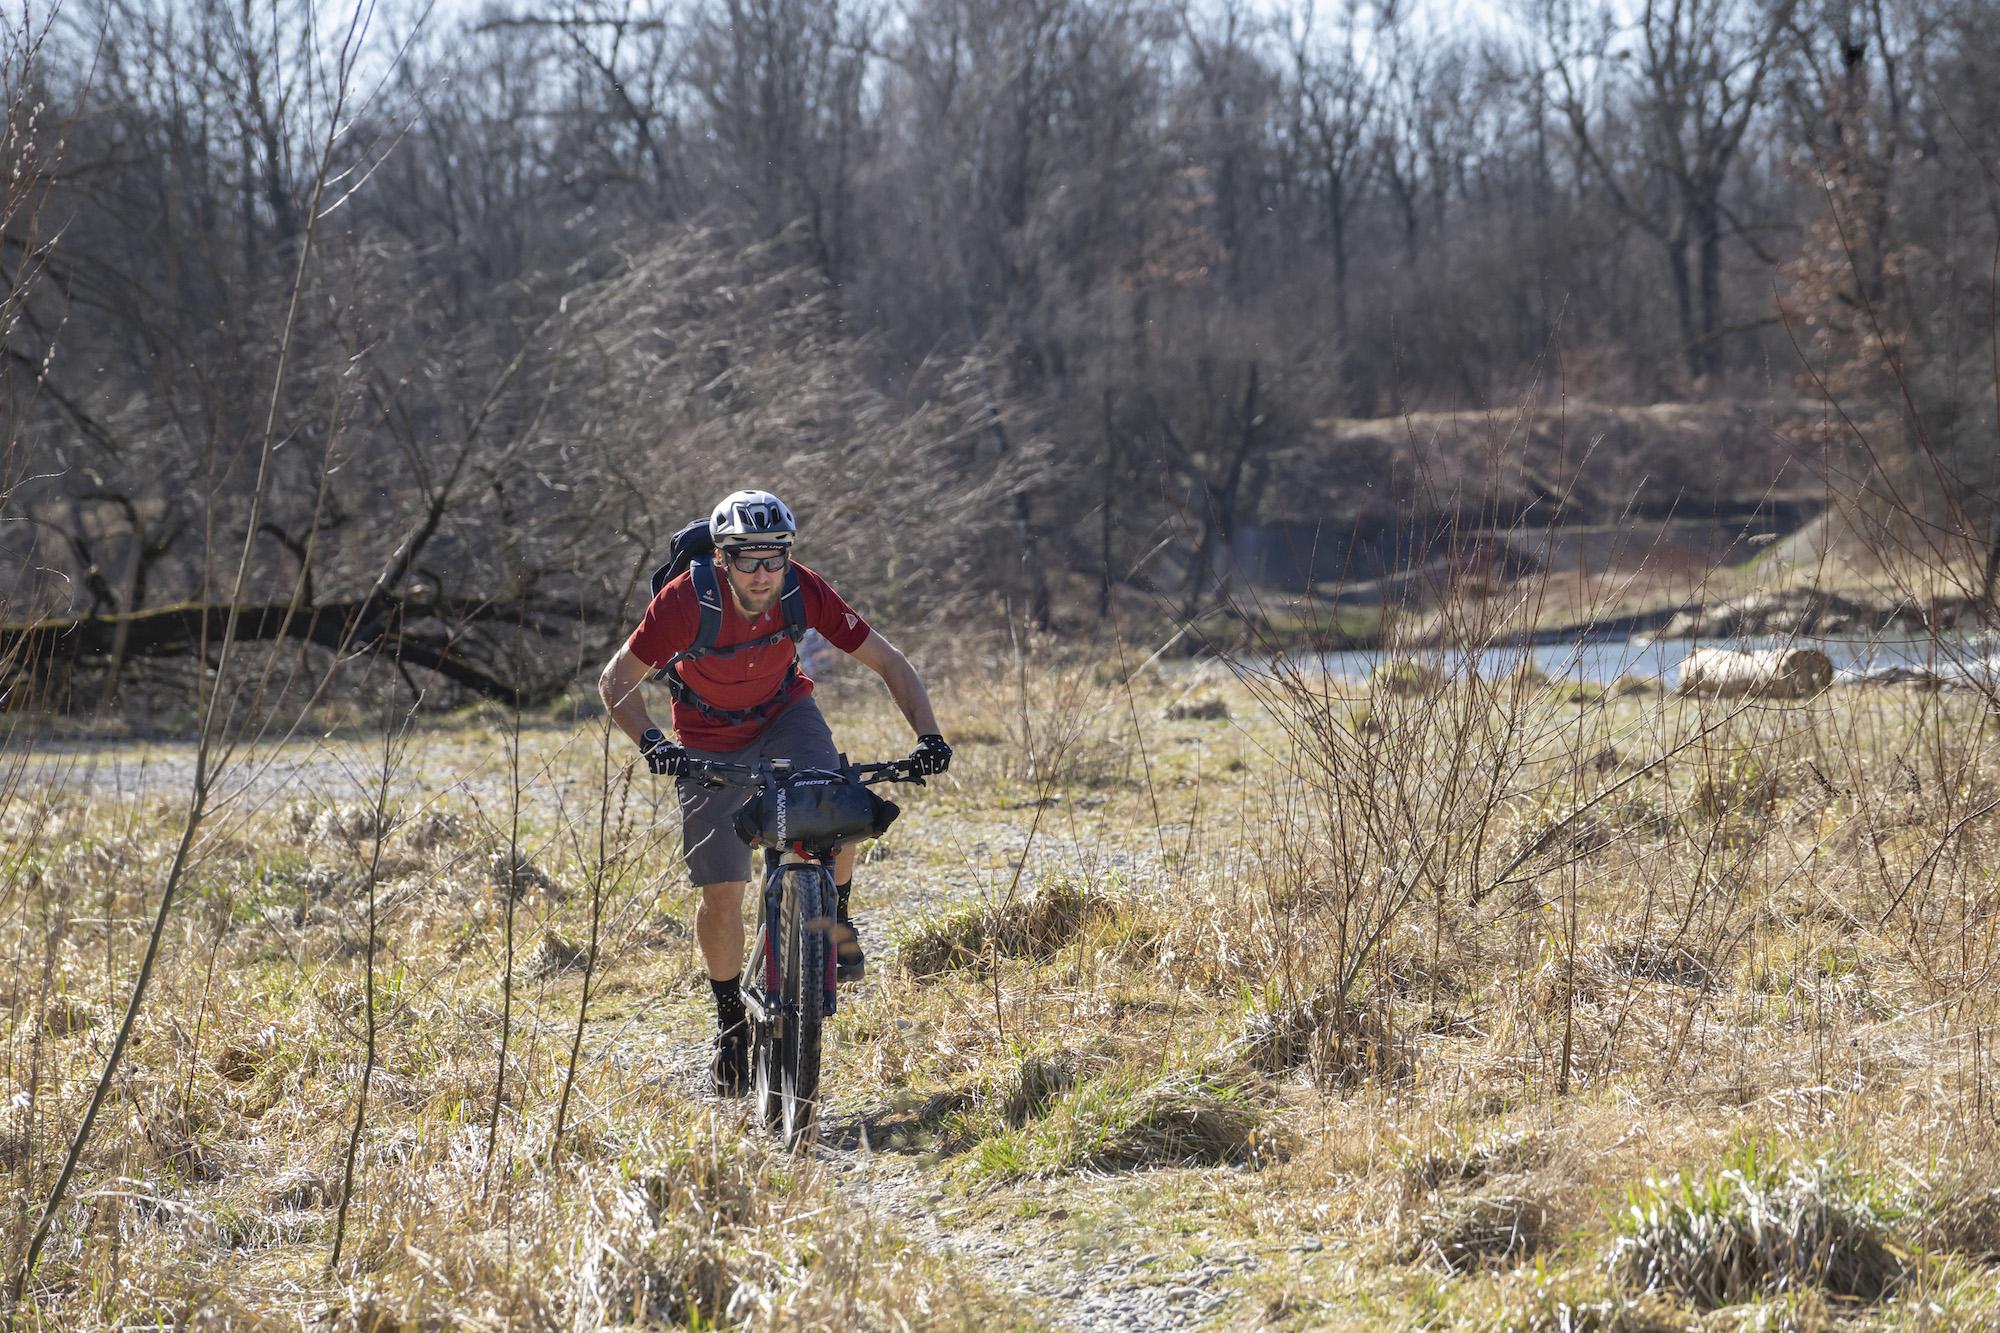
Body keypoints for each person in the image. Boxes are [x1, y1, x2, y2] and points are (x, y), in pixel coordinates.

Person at [598, 489, 951, 1095]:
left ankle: (835, 923)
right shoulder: (684, 601)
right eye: (747, 560)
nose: (763, 574)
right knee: (723, 891)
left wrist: (930, 735)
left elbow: (889, 661)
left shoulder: (802, 589)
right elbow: (616, 681)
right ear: (722, 557)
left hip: (785, 714)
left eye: (774, 558)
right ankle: (730, 1021)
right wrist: (653, 742)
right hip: (706, 737)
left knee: (835, 800)